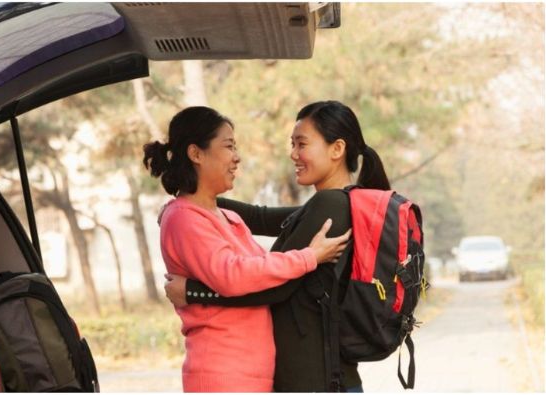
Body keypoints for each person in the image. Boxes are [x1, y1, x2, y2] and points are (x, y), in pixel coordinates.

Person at [164, 100, 392, 392]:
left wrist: (193, 292)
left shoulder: (330, 205)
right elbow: (260, 217)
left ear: (337, 149)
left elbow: (272, 288)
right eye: (292, 144)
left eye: (302, 144)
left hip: (314, 379)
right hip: (325, 376)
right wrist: (196, 196)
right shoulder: (344, 203)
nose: (293, 154)